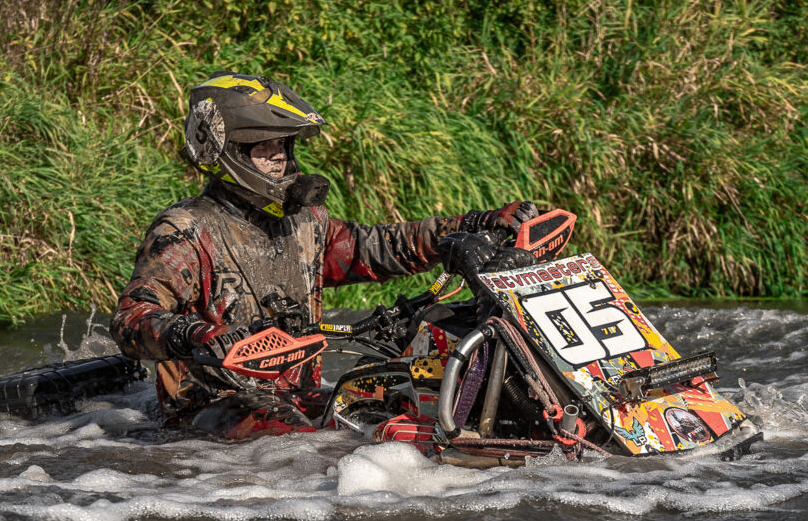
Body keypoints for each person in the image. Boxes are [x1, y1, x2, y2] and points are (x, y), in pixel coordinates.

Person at [111, 71, 537, 440]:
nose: (279, 158)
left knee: (394, 411)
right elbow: (131, 319)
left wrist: (475, 224)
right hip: (213, 408)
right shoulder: (185, 230)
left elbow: (379, 246)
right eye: (263, 147)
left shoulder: (305, 221)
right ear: (229, 152)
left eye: (283, 145)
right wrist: (200, 335)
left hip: (297, 396)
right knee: (306, 447)